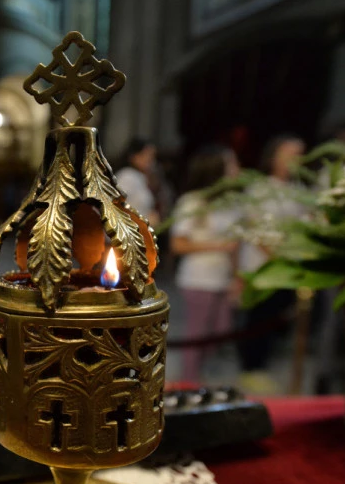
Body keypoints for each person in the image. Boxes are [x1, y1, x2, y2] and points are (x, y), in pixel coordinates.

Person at [237, 134, 306, 393]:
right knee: (258, 318)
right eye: (289, 154)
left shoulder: (300, 190)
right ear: (274, 157)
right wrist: (277, 255)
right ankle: (251, 368)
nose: (295, 160)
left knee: (277, 318)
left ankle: (263, 366)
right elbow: (255, 227)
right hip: (262, 266)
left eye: (299, 155)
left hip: (288, 269)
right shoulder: (260, 188)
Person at [170, 145, 241, 382]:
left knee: (221, 332)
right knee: (197, 335)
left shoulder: (230, 202)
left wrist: (237, 277)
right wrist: (219, 246)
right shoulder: (193, 202)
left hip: (222, 276)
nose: (236, 169)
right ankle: (189, 382)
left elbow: (235, 243)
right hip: (199, 277)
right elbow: (178, 244)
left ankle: (198, 377)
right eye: (231, 164)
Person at [115, 138, 160, 227]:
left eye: (152, 156)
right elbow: (116, 205)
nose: (150, 160)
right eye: (146, 155)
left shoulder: (141, 178)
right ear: (135, 156)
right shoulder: (127, 176)